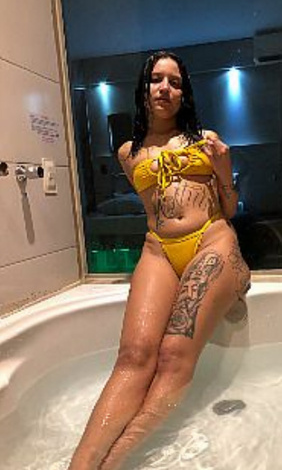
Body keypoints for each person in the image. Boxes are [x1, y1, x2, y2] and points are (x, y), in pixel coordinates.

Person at [68, 50, 250, 470]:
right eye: (156, 79)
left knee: (172, 355)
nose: (165, 88)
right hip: (159, 249)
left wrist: (224, 170)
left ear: (184, 93)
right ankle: (81, 465)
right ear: (143, 89)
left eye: (175, 81)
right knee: (133, 357)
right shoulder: (127, 153)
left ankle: (113, 463)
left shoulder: (205, 139)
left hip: (211, 240)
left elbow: (230, 208)